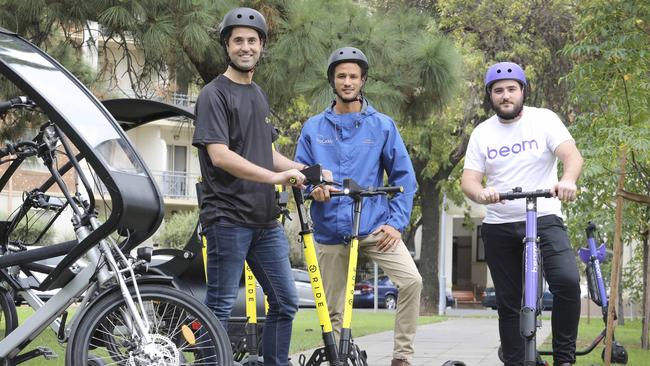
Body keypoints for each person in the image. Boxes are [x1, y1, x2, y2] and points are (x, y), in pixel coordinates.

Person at [192, 7, 306, 366]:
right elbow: (220, 155)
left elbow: (265, 152)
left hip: (264, 221)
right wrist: (274, 179)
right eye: (238, 40)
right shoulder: (214, 94)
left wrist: (308, 170)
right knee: (221, 307)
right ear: (227, 46)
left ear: (261, 46)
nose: (246, 47)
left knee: (285, 301)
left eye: (252, 40)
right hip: (227, 218)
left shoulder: (257, 94)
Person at [295, 47, 422, 366]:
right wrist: (314, 188)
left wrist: (396, 223)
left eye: (353, 76)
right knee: (333, 310)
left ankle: (402, 358)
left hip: (373, 225)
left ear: (363, 80)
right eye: (341, 76)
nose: (347, 82)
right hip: (329, 228)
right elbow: (300, 172)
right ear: (332, 81)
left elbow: (405, 176)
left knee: (411, 281)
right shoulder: (313, 128)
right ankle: (337, 360)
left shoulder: (382, 125)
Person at [460, 62, 584, 366]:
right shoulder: (482, 133)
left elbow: (571, 155)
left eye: (511, 89)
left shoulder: (545, 120)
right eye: (498, 90)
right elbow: (469, 180)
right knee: (508, 302)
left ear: (522, 91)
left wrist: (567, 180)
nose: (505, 95)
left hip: (544, 216)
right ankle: (516, 361)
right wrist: (481, 193)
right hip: (500, 223)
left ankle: (564, 359)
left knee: (567, 283)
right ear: (490, 95)